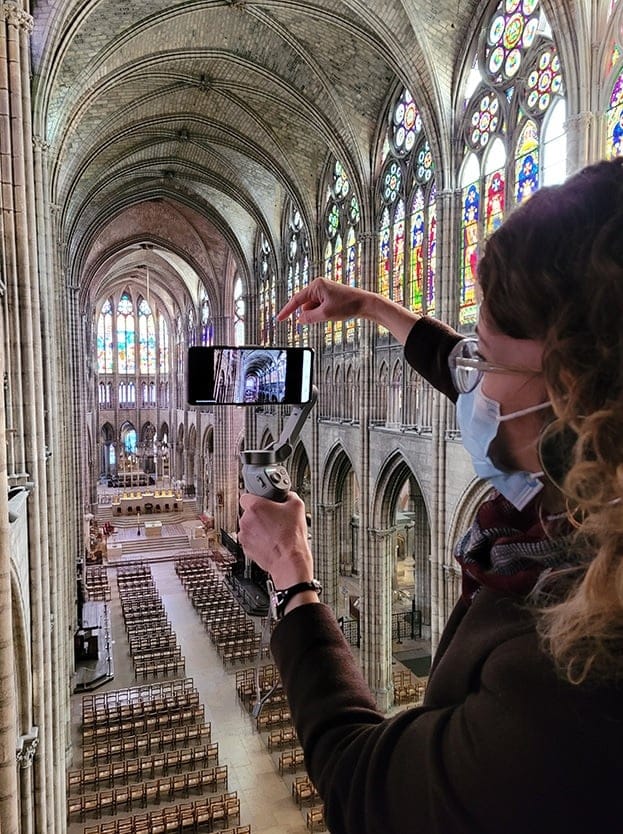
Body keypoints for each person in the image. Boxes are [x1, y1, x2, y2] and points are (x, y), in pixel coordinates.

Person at [238, 158, 623, 834]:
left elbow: (362, 785)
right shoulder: (589, 477)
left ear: (574, 396)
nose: (468, 385)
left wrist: (294, 579)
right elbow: (462, 368)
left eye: (485, 360)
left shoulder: (573, 668)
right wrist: (371, 306)